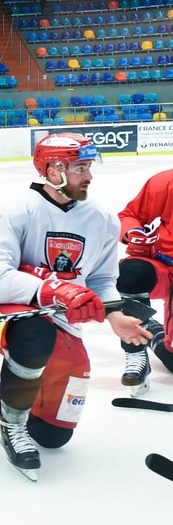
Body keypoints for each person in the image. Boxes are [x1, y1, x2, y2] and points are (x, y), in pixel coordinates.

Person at [0, 132, 153, 480]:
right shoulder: (15, 209)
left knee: (53, 436)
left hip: (64, 322)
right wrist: (54, 290)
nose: (90, 175)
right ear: (53, 172)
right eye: (80, 167)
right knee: (35, 337)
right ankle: (11, 426)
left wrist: (115, 315)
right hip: (8, 312)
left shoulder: (102, 219)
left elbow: (100, 279)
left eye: (88, 166)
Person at [113, 167, 173, 395]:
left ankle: (155, 332)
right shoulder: (166, 182)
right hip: (165, 267)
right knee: (131, 272)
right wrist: (133, 233)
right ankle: (136, 353)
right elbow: (129, 215)